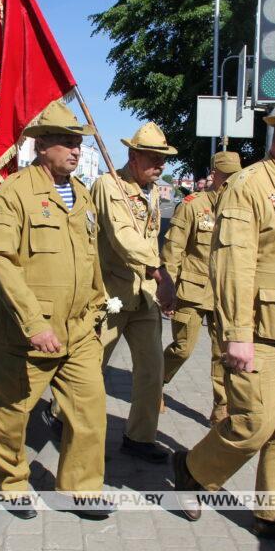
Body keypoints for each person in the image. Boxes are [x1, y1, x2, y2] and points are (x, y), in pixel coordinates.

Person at [172, 96, 275, 551]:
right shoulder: (249, 186)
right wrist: (237, 334)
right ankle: (191, 470)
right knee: (252, 426)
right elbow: (233, 265)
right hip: (260, 336)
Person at [0, 100, 111, 518]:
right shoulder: (14, 192)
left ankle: (81, 488)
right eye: (66, 142)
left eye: (78, 142)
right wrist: (34, 323)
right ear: (41, 146)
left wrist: (97, 309)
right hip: (27, 332)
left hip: (78, 331)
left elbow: (90, 259)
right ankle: (13, 483)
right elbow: (1, 260)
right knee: (13, 414)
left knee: (90, 412)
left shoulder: (82, 195)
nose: (75, 150)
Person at [90, 121, 177, 464]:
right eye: (153, 158)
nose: (160, 165)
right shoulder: (107, 185)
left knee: (152, 370)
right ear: (132, 155)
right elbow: (122, 237)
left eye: (163, 158)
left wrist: (157, 283)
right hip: (111, 294)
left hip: (143, 295)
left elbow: (150, 238)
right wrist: (159, 270)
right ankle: (63, 414)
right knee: (91, 366)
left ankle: (139, 437)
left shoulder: (153, 190)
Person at [161, 150, 241, 424]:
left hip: (225, 295)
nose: (231, 181)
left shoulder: (243, 208)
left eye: (236, 176)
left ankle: (222, 408)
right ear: (214, 175)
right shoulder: (194, 205)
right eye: (226, 176)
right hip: (191, 292)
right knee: (183, 347)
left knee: (223, 354)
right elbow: (173, 250)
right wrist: (167, 288)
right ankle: (155, 383)